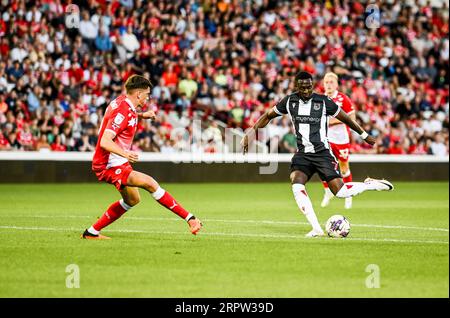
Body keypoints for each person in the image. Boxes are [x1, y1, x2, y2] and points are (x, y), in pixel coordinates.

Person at [241, 71, 394, 237]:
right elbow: (267, 116)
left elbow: (347, 119)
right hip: (303, 154)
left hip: (322, 153)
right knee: (296, 184)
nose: (306, 90)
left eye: (309, 86)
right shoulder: (289, 101)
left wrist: (364, 135)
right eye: (302, 87)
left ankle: (369, 184)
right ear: (296, 86)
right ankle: (316, 228)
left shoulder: (323, 101)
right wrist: (251, 133)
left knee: (340, 192)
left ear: (312, 85)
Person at [82, 75, 202, 240]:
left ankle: (91, 233)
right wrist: (126, 153)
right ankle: (190, 218)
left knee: (132, 199)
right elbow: (104, 140)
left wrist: (142, 115)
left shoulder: (123, 102)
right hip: (109, 164)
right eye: (147, 94)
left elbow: (124, 117)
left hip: (118, 162)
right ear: (138, 94)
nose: (148, 97)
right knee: (150, 183)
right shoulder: (122, 110)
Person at [320, 72, 356, 209]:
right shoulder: (319, 99)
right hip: (325, 139)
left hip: (341, 139)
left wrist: (330, 121)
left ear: (336, 84)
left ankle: (348, 195)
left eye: (331, 82)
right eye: (326, 82)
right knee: (322, 165)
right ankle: (328, 192)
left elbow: (352, 118)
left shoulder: (343, 99)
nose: (328, 85)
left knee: (344, 168)